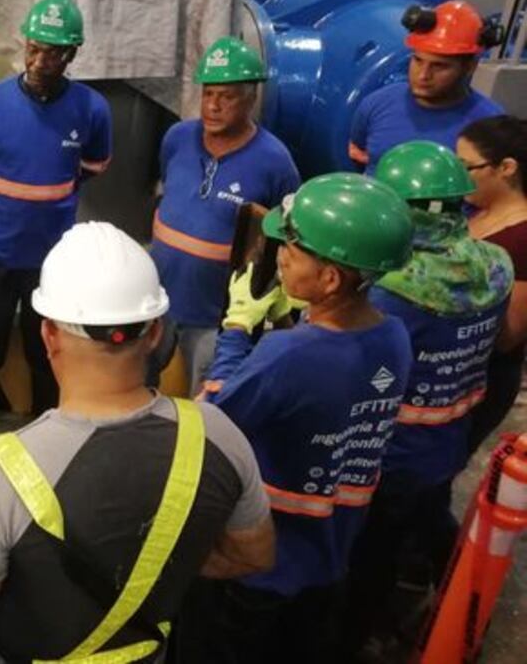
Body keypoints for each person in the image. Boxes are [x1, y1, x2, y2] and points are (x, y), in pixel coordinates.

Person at [0, 222, 274, 662]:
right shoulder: (218, 435)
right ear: (154, 333)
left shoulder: (0, 476)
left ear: (48, 335)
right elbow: (255, 555)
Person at [187, 173, 416, 664]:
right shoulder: (394, 336)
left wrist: (236, 329)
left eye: (292, 246)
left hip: (260, 572)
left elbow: (214, 424)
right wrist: (306, 317)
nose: (281, 255)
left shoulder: (288, 355)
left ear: (331, 278)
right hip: (330, 560)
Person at [345, 140, 513, 656]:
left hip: (391, 452)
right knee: (429, 520)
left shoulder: (390, 290)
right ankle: (456, 609)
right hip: (451, 437)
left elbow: (354, 372)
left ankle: (358, 635)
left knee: (370, 555)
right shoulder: (497, 265)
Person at [0, 0, 113, 447]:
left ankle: (47, 423)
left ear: (73, 54)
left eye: (54, 52)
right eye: (34, 48)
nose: (40, 60)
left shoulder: (92, 109)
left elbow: (92, 168)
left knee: (46, 346)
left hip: (51, 261)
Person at [151, 37, 300, 387]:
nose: (213, 106)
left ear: (251, 98)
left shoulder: (275, 163)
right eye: (208, 94)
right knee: (141, 383)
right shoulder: (177, 138)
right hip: (158, 299)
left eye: (227, 96)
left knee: (208, 396)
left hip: (215, 316)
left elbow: (284, 234)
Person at [348, 0, 503, 175]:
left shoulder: (490, 123)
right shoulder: (376, 103)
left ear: (469, 68)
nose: (423, 75)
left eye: (439, 66)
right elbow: (357, 155)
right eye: (418, 60)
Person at [458, 115, 527, 450]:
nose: (457, 176)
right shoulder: (478, 211)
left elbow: (509, 336)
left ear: (506, 168)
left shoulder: (522, 238)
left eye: (466, 166)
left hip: (483, 379)